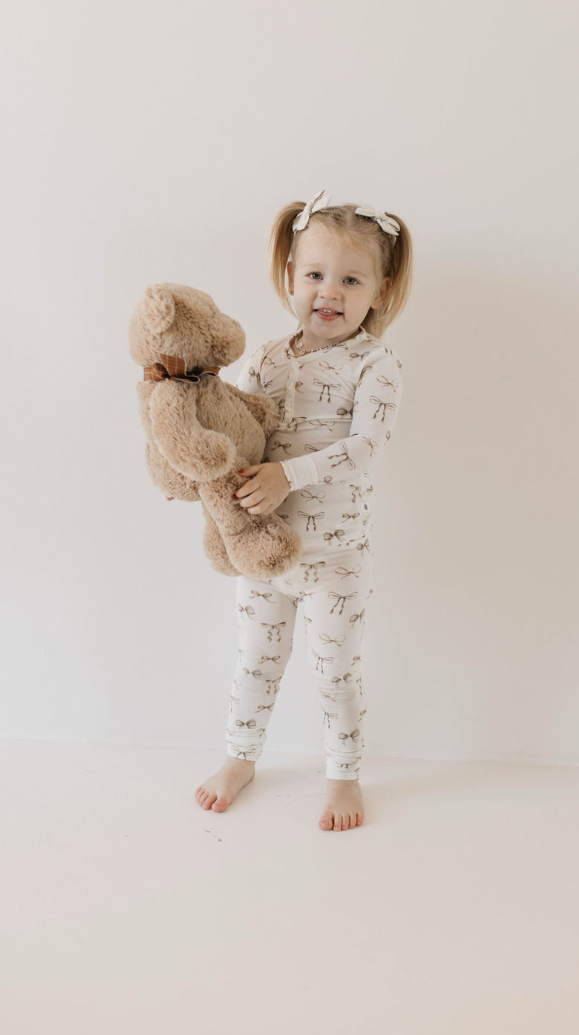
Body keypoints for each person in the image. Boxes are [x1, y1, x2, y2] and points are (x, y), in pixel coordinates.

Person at [194, 189, 413, 830]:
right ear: (290, 276)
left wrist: (288, 475)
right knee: (255, 661)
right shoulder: (264, 359)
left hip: (335, 557)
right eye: (315, 274)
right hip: (263, 550)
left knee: (334, 673)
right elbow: (243, 435)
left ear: (381, 287)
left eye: (350, 279)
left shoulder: (376, 363)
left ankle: (343, 776)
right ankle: (240, 757)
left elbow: (365, 447)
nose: (330, 292)